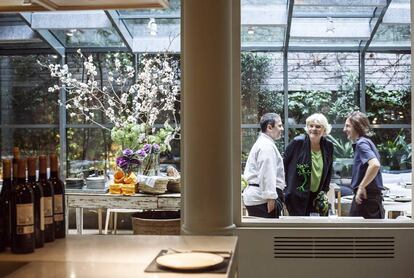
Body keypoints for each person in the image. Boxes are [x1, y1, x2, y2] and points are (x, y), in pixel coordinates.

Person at [284, 113, 333, 216]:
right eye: (311, 126)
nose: (313, 129)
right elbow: (282, 165)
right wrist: (285, 190)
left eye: (318, 126)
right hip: (297, 196)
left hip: (317, 197)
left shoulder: (328, 146)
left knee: (315, 229)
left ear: (324, 129)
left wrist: (324, 191)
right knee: (299, 229)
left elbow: (329, 170)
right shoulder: (297, 143)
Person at [242, 113, 286, 218]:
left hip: (258, 197)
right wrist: (270, 197)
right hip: (263, 199)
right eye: (279, 125)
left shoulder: (264, 143)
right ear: (269, 127)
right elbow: (267, 172)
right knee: (268, 233)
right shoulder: (266, 146)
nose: (282, 128)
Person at [343, 111, 385, 219]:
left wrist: (362, 186)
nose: (344, 129)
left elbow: (375, 165)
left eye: (348, 126)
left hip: (366, 200)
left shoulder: (361, 143)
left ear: (357, 126)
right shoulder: (367, 142)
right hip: (371, 200)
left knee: (357, 235)